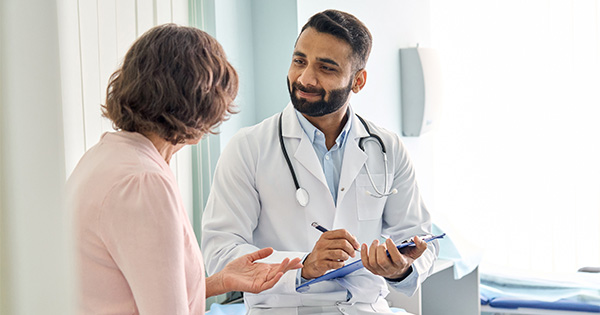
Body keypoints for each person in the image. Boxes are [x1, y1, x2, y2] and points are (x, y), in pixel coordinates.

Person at [201, 9, 439, 315]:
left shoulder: (387, 148)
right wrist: (304, 264)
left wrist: (400, 268)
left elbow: (421, 240)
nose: (305, 78)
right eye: (299, 61)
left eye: (326, 68)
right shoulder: (249, 148)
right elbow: (221, 253)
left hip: (365, 308)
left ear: (358, 81)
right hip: (283, 309)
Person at [66, 24, 302, 315]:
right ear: (199, 104)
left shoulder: (103, 156)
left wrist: (220, 281)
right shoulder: (145, 182)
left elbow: (135, 292)